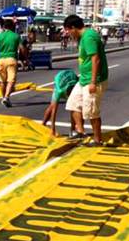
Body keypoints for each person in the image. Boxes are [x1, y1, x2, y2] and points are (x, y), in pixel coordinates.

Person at [63, 15, 108, 145]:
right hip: (84, 79)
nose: (67, 34)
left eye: (67, 30)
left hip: (93, 80)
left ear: (73, 28)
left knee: (91, 111)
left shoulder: (88, 37)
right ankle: (80, 132)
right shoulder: (83, 38)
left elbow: (96, 59)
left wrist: (93, 82)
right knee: (73, 103)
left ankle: (97, 140)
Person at [0, 18, 21, 107]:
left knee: (2, 81)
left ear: (4, 27)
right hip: (12, 59)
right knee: (11, 81)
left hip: (1, 60)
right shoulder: (16, 36)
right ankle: (6, 97)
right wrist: (25, 59)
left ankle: (4, 98)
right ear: (12, 27)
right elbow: (22, 48)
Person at [43, 69, 77, 136]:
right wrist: (53, 129)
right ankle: (43, 124)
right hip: (59, 79)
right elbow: (54, 111)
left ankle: (73, 130)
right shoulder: (59, 91)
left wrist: (73, 129)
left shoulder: (76, 87)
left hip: (71, 77)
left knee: (74, 107)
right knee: (52, 106)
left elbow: (74, 110)